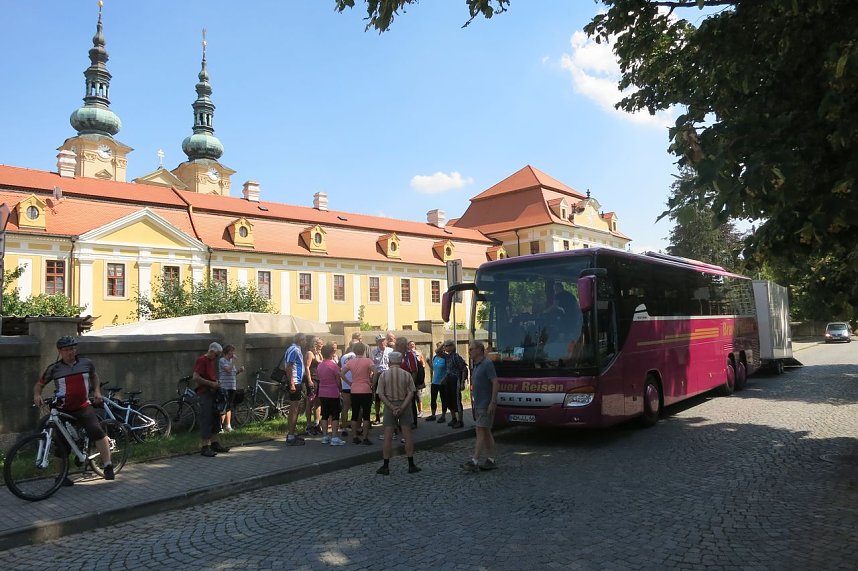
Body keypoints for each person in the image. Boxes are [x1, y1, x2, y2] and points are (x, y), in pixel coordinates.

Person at [32, 335, 115, 483]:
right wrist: (37, 395)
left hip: (83, 406)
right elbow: (39, 384)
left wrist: (97, 391)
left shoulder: (86, 363)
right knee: (61, 444)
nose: (70, 352)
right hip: (63, 409)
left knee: (96, 431)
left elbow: (94, 376)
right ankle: (61, 476)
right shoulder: (54, 368)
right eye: (66, 350)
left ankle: (108, 465)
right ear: (60, 351)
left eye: (72, 349)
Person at [375, 352, 420, 475]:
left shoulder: (384, 375)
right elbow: (411, 393)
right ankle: (411, 464)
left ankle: (385, 466)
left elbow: (380, 394)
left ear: (389, 361)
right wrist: (402, 406)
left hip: (389, 405)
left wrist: (392, 407)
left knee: (388, 437)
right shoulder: (406, 374)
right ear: (401, 361)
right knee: (407, 435)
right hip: (404, 405)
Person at [462, 340, 499, 472]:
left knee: (480, 430)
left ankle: (475, 460)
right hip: (478, 404)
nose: (469, 352)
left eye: (471, 349)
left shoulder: (487, 364)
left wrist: (492, 402)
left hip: (486, 404)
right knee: (486, 432)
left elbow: (495, 382)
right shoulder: (476, 365)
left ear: (479, 349)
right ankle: (491, 460)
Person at [193, 342, 231, 457]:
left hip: (213, 393)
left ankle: (215, 443)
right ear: (212, 351)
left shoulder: (211, 361)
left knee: (215, 419)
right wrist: (211, 383)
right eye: (217, 354)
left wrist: (216, 382)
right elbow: (196, 377)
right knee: (206, 419)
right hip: (204, 394)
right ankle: (205, 447)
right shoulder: (202, 360)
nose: (217, 357)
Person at [339, 341, 376, 445]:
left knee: (354, 414)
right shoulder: (368, 361)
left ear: (354, 351)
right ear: (364, 350)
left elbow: (341, 373)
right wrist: (372, 383)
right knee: (366, 415)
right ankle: (365, 437)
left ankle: (354, 436)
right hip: (366, 389)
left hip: (354, 389)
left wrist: (349, 383)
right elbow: (376, 371)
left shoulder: (351, 362)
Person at [316, 342, 346, 445]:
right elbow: (338, 380)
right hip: (333, 392)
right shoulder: (333, 365)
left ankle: (325, 436)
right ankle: (334, 437)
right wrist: (340, 389)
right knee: (335, 415)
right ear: (331, 353)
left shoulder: (320, 365)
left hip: (322, 392)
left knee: (324, 415)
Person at [281, 333, 308, 446]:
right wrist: (292, 383)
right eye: (304, 340)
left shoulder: (296, 349)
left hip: (297, 381)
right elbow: (289, 366)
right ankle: (291, 436)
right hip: (295, 382)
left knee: (297, 407)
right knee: (294, 408)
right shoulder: (294, 350)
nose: (306, 342)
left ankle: (292, 433)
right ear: (299, 340)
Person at [394, 337, 421, 430]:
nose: (397, 346)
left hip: (408, 383)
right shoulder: (396, 355)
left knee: (410, 403)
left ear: (404, 345)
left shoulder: (409, 355)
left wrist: (411, 384)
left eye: (398, 345)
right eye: (396, 345)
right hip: (398, 384)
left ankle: (413, 422)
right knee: (400, 403)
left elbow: (414, 371)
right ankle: (401, 423)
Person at [338, 333, 361, 437]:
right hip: (357, 384)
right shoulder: (359, 356)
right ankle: (358, 428)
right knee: (358, 407)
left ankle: (344, 428)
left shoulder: (343, 357)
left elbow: (340, 369)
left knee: (345, 407)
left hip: (346, 385)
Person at [218, 344, 244, 432]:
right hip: (224, 387)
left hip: (232, 386)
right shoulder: (222, 360)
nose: (233, 354)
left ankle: (228, 426)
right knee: (223, 407)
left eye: (233, 352)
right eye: (231, 352)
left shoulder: (231, 362)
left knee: (229, 406)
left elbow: (233, 373)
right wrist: (233, 362)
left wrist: (239, 371)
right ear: (227, 352)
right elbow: (228, 370)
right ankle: (220, 427)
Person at [442, 340, 468, 429]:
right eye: (445, 346)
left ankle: (460, 421)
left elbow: (464, 369)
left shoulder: (456, 356)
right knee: (449, 400)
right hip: (448, 380)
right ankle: (454, 418)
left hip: (455, 380)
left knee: (457, 401)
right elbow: (437, 352)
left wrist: (462, 382)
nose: (445, 347)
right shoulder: (447, 356)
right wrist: (443, 344)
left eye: (447, 345)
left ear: (452, 347)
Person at [370, 333, 392, 425]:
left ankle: (389, 415)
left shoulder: (390, 350)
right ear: (377, 342)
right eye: (379, 341)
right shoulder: (373, 351)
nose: (382, 342)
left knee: (389, 395)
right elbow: (371, 364)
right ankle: (378, 416)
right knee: (378, 396)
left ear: (386, 341)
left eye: (383, 340)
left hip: (387, 374)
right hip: (378, 374)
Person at [304, 336, 323, 436]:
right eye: (320, 344)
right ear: (315, 343)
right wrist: (309, 380)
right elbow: (307, 367)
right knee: (310, 401)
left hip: (319, 379)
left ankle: (317, 423)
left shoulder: (319, 353)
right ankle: (308, 424)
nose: (321, 345)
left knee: (318, 402)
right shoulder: (310, 353)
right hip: (312, 378)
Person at [424, 342, 448, 422]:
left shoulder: (446, 358)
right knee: (433, 399)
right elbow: (434, 369)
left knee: (443, 399)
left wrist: (444, 379)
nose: (439, 349)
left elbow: (448, 370)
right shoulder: (435, 357)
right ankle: (433, 415)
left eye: (440, 347)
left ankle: (443, 416)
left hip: (442, 382)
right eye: (438, 347)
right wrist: (429, 363)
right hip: (434, 381)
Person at [408, 340, 427, 417]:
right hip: (410, 377)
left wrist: (419, 366)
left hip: (418, 378)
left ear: (415, 345)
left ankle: (420, 411)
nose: (412, 345)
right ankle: (412, 412)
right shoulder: (407, 355)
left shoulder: (419, 354)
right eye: (410, 344)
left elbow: (424, 364)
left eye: (413, 344)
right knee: (411, 396)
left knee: (418, 395)